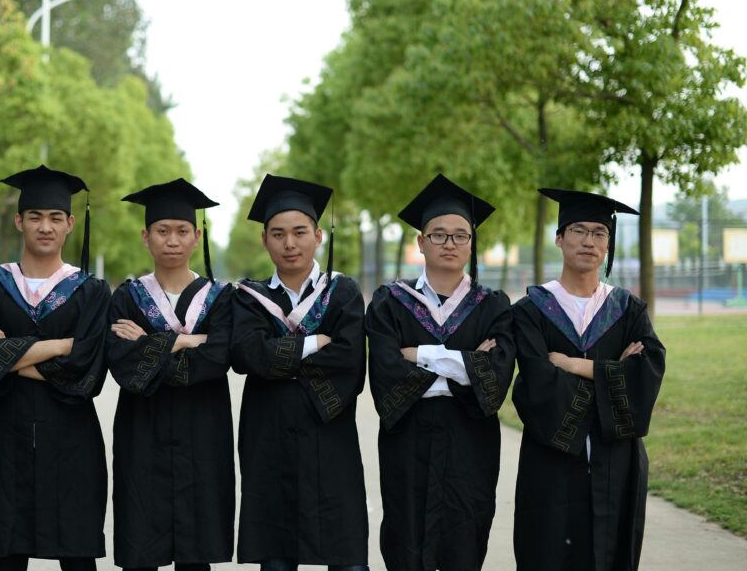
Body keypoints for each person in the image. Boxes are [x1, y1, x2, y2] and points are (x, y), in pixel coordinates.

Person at [0, 165, 110, 571]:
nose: (45, 227)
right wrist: (61, 345)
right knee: (7, 552)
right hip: (0, 437)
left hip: (70, 440)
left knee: (77, 554)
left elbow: (86, 369)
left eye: (55, 218)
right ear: (19, 221)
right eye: (35, 217)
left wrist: (9, 356)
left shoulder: (91, 291)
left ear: (69, 224)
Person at [366, 174, 516, 571]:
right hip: (407, 438)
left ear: (471, 242)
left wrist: (418, 354)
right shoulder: (389, 303)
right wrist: (466, 362)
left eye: (460, 235)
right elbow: (385, 370)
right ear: (421, 242)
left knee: (465, 537)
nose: (450, 243)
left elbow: (496, 375)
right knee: (405, 536)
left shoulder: (494, 306)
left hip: (471, 441)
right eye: (438, 235)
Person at [512, 188, 666, 571]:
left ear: (608, 244)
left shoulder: (627, 309)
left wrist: (575, 366)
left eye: (599, 233)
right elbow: (537, 383)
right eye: (578, 230)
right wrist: (614, 371)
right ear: (559, 238)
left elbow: (647, 374)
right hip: (552, 462)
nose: (589, 241)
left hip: (617, 463)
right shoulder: (530, 311)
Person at [230, 174, 369, 571]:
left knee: (345, 554)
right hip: (268, 438)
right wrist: (314, 344)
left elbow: (348, 361)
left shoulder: (342, 292)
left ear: (318, 236)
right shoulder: (250, 297)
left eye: (299, 232)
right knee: (276, 555)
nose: (289, 243)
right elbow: (247, 356)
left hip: (329, 435)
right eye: (278, 234)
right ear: (264, 240)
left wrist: (278, 358)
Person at [107, 178, 235, 571]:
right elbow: (124, 365)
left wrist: (149, 343)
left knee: (196, 554)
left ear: (197, 236)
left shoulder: (221, 298)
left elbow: (218, 358)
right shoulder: (126, 297)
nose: (173, 241)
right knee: (141, 548)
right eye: (162, 231)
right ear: (146, 237)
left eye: (182, 231)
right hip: (142, 435)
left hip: (203, 433)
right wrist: (187, 341)